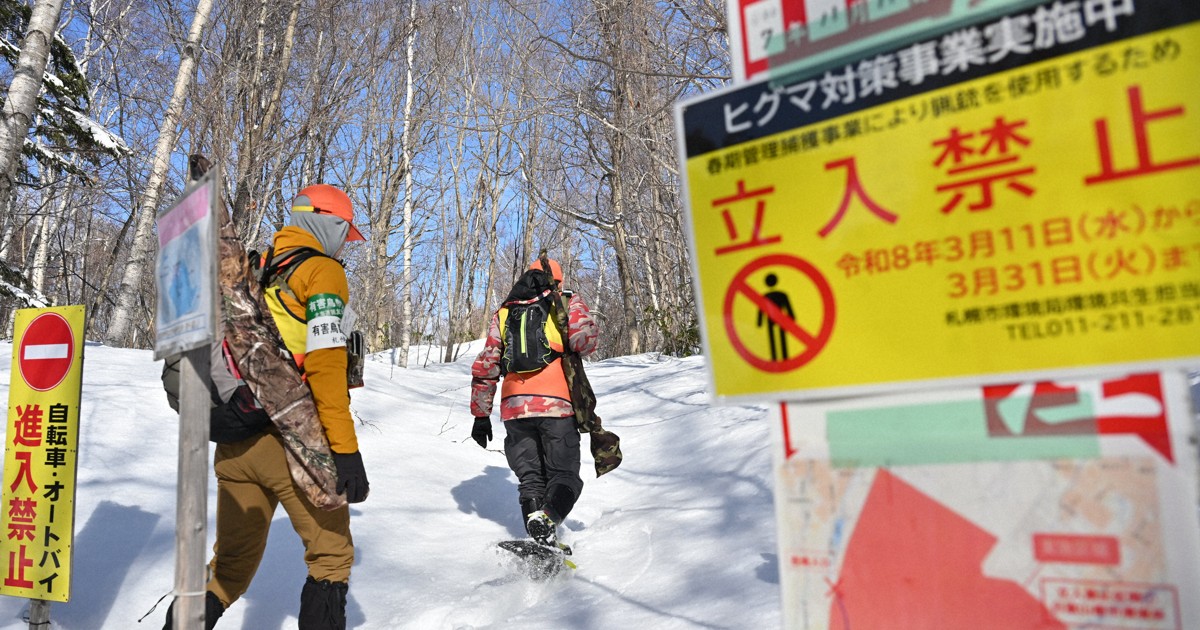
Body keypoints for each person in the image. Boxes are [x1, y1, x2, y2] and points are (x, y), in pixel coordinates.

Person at [163, 183, 369, 630]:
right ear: (329, 224)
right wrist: (347, 453)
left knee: (229, 569)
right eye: (344, 232)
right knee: (331, 559)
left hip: (236, 438)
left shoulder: (256, 266)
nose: (343, 243)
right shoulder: (322, 273)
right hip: (290, 442)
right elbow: (326, 369)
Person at [469, 257, 599, 546]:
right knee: (564, 475)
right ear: (558, 281)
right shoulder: (564, 300)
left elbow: (488, 364)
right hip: (556, 404)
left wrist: (480, 415)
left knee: (531, 479)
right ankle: (547, 521)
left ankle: (541, 540)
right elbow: (584, 341)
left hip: (514, 408)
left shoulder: (504, 312)